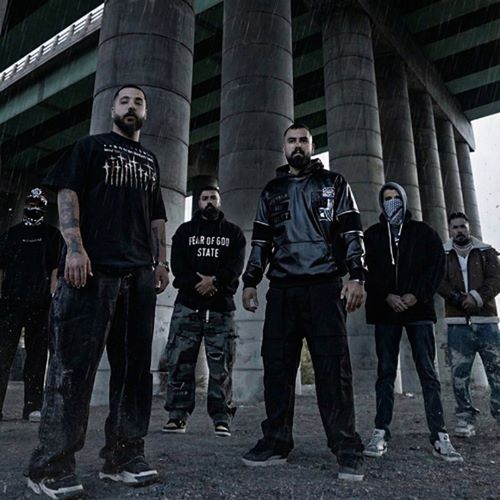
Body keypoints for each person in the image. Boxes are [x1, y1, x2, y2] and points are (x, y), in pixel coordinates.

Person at [27, 85, 169, 499]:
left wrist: (161, 262)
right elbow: (67, 192)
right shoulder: (90, 147)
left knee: (134, 373)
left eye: (138, 102)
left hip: (137, 274)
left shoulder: (150, 160)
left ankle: (124, 456)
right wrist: (74, 248)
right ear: (112, 109)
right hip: (93, 271)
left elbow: (157, 216)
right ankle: (50, 466)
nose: (131, 106)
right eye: (124, 101)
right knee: (72, 369)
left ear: (145, 113)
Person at [240, 123, 366, 481]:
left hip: (325, 286)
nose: (297, 145)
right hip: (283, 289)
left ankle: (346, 446)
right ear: (284, 148)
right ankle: (276, 441)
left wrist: (357, 276)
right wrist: (250, 281)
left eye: (303, 141)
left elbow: (352, 231)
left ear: (312, 146)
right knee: (277, 367)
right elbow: (261, 241)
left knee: (333, 369)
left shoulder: (334, 183)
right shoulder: (272, 189)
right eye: (292, 141)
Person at [363, 182, 462, 462]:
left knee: (428, 372)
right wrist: (386, 295)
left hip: (418, 311)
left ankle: (439, 434)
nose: (392, 202)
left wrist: (417, 295)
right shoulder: (372, 235)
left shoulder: (424, 232)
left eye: (396, 197)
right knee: (385, 373)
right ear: (381, 203)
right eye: (387, 198)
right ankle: (381, 431)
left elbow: (436, 266)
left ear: (405, 200)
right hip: (386, 311)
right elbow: (365, 269)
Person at [161, 186, 245, 437]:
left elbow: (235, 267)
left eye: (213, 198)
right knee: (179, 361)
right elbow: (178, 265)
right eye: (204, 198)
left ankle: (221, 418)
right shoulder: (184, 232)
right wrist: (199, 284)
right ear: (198, 202)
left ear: (220, 202)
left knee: (222, 366)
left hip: (221, 309)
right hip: (188, 306)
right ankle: (177, 417)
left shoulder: (233, 233)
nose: (209, 202)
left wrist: (215, 282)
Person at [0, 188, 61, 423]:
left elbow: (56, 268)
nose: (34, 207)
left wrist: (52, 296)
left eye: (38, 204)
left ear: (44, 207)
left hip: (41, 303)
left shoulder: (51, 235)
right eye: (31, 203)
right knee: (3, 353)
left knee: (37, 356)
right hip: (10, 303)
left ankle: (33, 406)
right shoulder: (12, 234)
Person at [438, 212, 500, 438]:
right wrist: (457, 299)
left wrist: (477, 297)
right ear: (450, 230)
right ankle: (465, 417)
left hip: (487, 322)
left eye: (462, 226)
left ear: (469, 228)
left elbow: (496, 280)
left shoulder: (486, 251)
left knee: (497, 370)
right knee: (459, 374)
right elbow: (439, 281)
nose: (459, 231)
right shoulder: (442, 254)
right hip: (457, 323)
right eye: (455, 227)